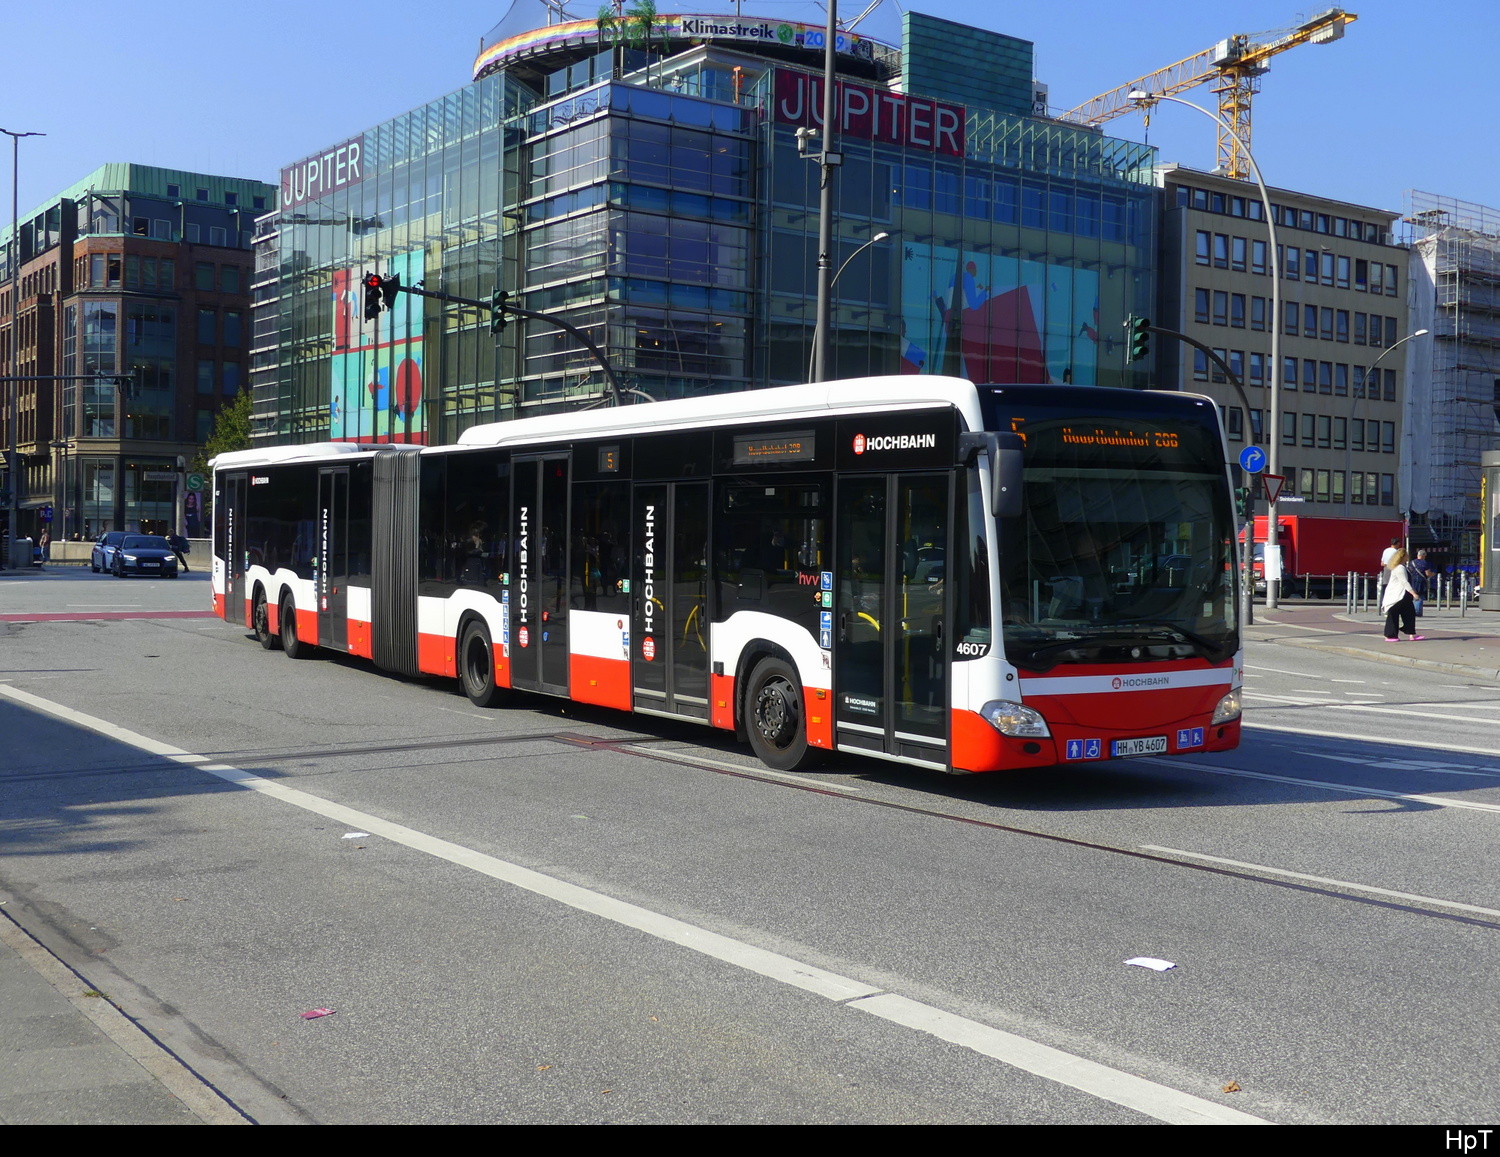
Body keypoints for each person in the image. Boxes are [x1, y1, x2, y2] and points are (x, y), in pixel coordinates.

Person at [1381, 548, 1424, 642]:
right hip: (1398, 595)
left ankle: (1411, 634)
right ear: (1403, 557)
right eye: (1406, 555)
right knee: (1394, 614)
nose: (1408, 556)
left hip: (1402, 594)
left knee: (1409, 613)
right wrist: (1413, 593)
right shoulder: (1400, 568)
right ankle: (1390, 635)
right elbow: (1404, 582)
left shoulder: (1402, 566)